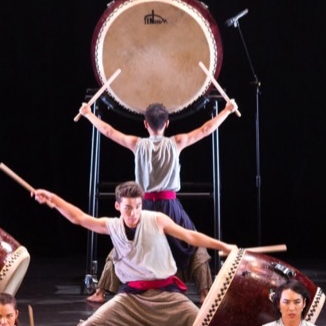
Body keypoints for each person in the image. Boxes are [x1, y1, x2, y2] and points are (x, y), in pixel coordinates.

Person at [30, 181, 234, 326]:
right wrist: (53, 199)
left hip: (167, 298)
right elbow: (79, 218)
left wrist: (223, 246)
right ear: (118, 206)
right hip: (131, 300)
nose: (133, 212)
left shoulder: (156, 220)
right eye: (127, 207)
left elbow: (191, 236)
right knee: (91, 324)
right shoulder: (112, 226)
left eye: (137, 206)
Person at [78, 97, 238, 304]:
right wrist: (227, 110)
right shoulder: (177, 142)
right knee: (193, 242)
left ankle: (100, 292)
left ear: (145, 123)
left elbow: (108, 131)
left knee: (123, 242)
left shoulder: (137, 144)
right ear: (167, 123)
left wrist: (88, 114)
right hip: (170, 207)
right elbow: (206, 129)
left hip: (142, 208)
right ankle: (204, 292)